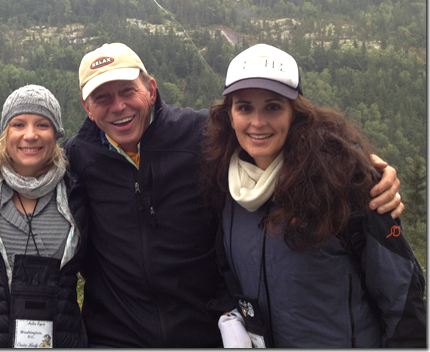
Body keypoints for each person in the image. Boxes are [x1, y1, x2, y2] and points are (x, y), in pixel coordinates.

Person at [62, 42, 404, 348]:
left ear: (151, 90)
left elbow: (284, 138)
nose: (118, 106)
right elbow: (34, 169)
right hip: (116, 337)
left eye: (127, 91)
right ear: (86, 107)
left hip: (204, 336)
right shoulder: (76, 158)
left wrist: (360, 166)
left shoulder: (200, 137)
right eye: (102, 98)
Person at [201, 43, 425, 348]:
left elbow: (402, 299)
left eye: (273, 107)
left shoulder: (344, 180)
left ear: (296, 113)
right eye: (244, 108)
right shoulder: (227, 186)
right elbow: (230, 275)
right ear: (229, 116)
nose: (257, 122)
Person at [0, 85, 88, 348]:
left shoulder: (77, 195)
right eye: (18, 124)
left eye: (42, 125)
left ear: (56, 133)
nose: (30, 135)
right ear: (5, 133)